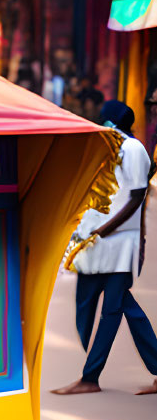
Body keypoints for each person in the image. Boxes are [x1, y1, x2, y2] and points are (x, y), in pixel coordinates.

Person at [54, 100, 157, 396]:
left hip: (119, 242)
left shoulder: (134, 149)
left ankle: (90, 376)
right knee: (88, 306)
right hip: (95, 243)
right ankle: (96, 364)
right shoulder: (107, 147)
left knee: (113, 308)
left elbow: (137, 196)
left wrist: (106, 229)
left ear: (113, 121)